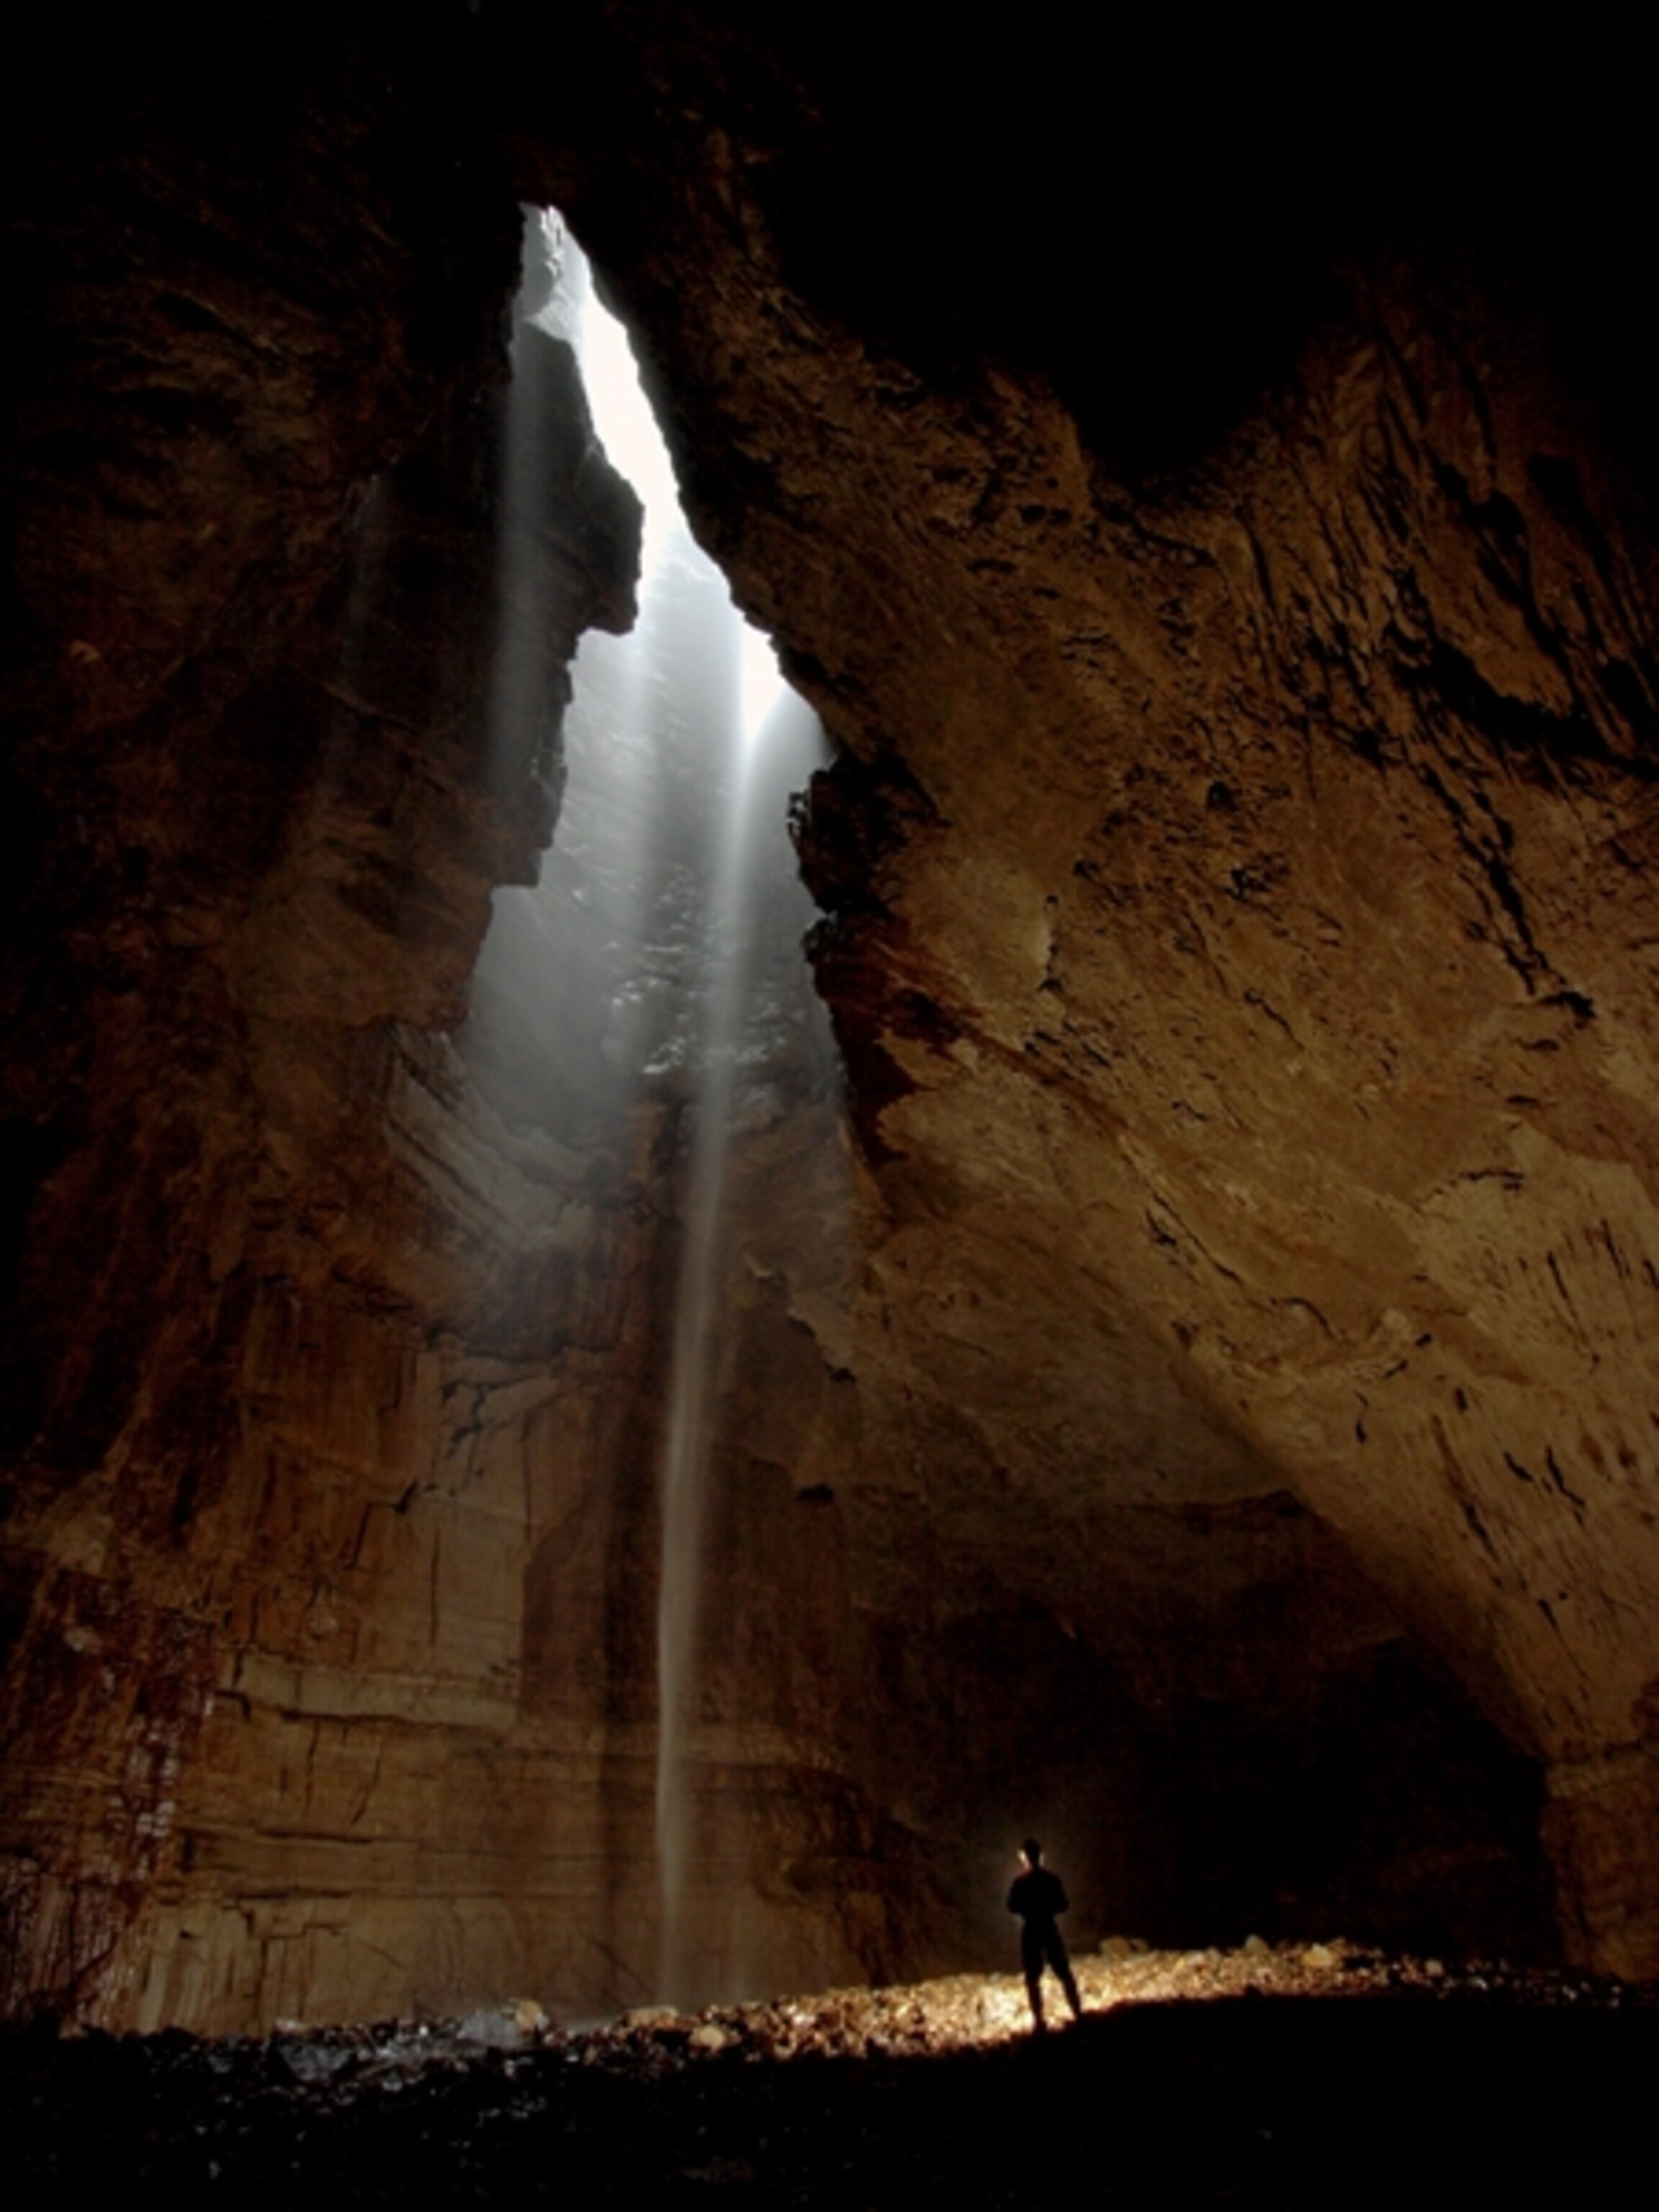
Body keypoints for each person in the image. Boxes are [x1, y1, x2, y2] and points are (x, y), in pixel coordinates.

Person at [1007, 1837, 1082, 2031]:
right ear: (1041, 1856)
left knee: (1032, 1977)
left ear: (1024, 1858)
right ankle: (1078, 2013)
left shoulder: (1020, 1883)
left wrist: (1029, 1910)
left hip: (1031, 1928)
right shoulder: (1051, 1879)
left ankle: (1039, 2021)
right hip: (1048, 1927)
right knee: (1063, 1971)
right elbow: (1064, 1905)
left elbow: (1012, 1907)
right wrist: (1048, 1909)